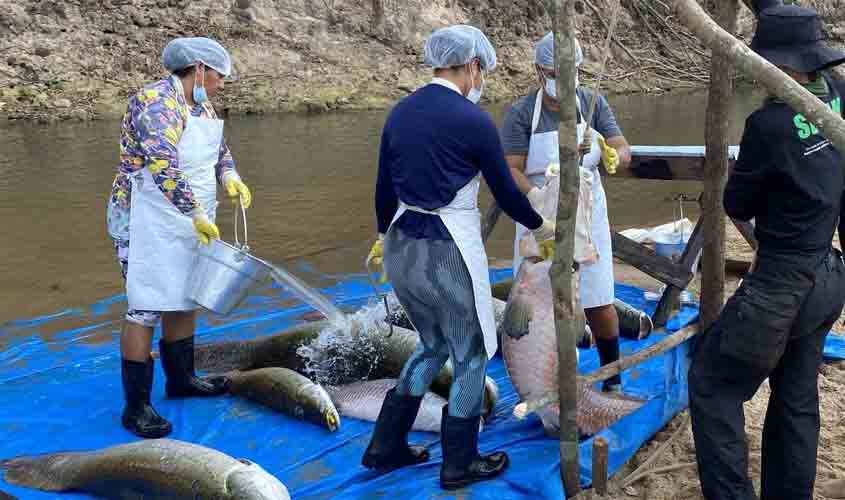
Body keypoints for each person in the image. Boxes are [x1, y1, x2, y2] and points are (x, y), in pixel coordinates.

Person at [362, 25, 555, 489]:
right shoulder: (474, 121)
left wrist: (382, 235)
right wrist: (539, 226)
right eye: (481, 71)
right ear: (471, 65)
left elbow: (383, 187)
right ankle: (460, 462)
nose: (481, 80)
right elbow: (505, 191)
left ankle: (385, 446)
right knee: (470, 354)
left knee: (431, 345)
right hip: (445, 246)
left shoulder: (400, 112)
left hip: (401, 242)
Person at [688, 5, 845, 499]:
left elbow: (738, 203)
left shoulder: (768, 124)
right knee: (796, 396)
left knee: (712, 383)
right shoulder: (837, 95)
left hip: (781, 283)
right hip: (828, 273)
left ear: (778, 65)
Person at [106, 37, 252, 439]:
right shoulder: (154, 103)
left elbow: (219, 150)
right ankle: (136, 407)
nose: (222, 83)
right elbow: (163, 166)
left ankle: (182, 379)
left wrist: (230, 176)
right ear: (199, 69)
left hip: (190, 217)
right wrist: (195, 212)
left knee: (186, 294)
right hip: (146, 217)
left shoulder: (201, 106)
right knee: (146, 305)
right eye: (220, 75)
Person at [500, 32, 632, 392]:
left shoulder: (593, 103)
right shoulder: (522, 112)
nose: (561, 80)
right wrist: (535, 195)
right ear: (539, 71)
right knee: (538, 301)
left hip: (587, 214)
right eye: (553, 73)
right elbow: (510, 167)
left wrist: (614, 155)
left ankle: (612, 378)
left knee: (598, 297)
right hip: (539, 216)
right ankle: (548, 380)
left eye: (569, 72)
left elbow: (622, 147)